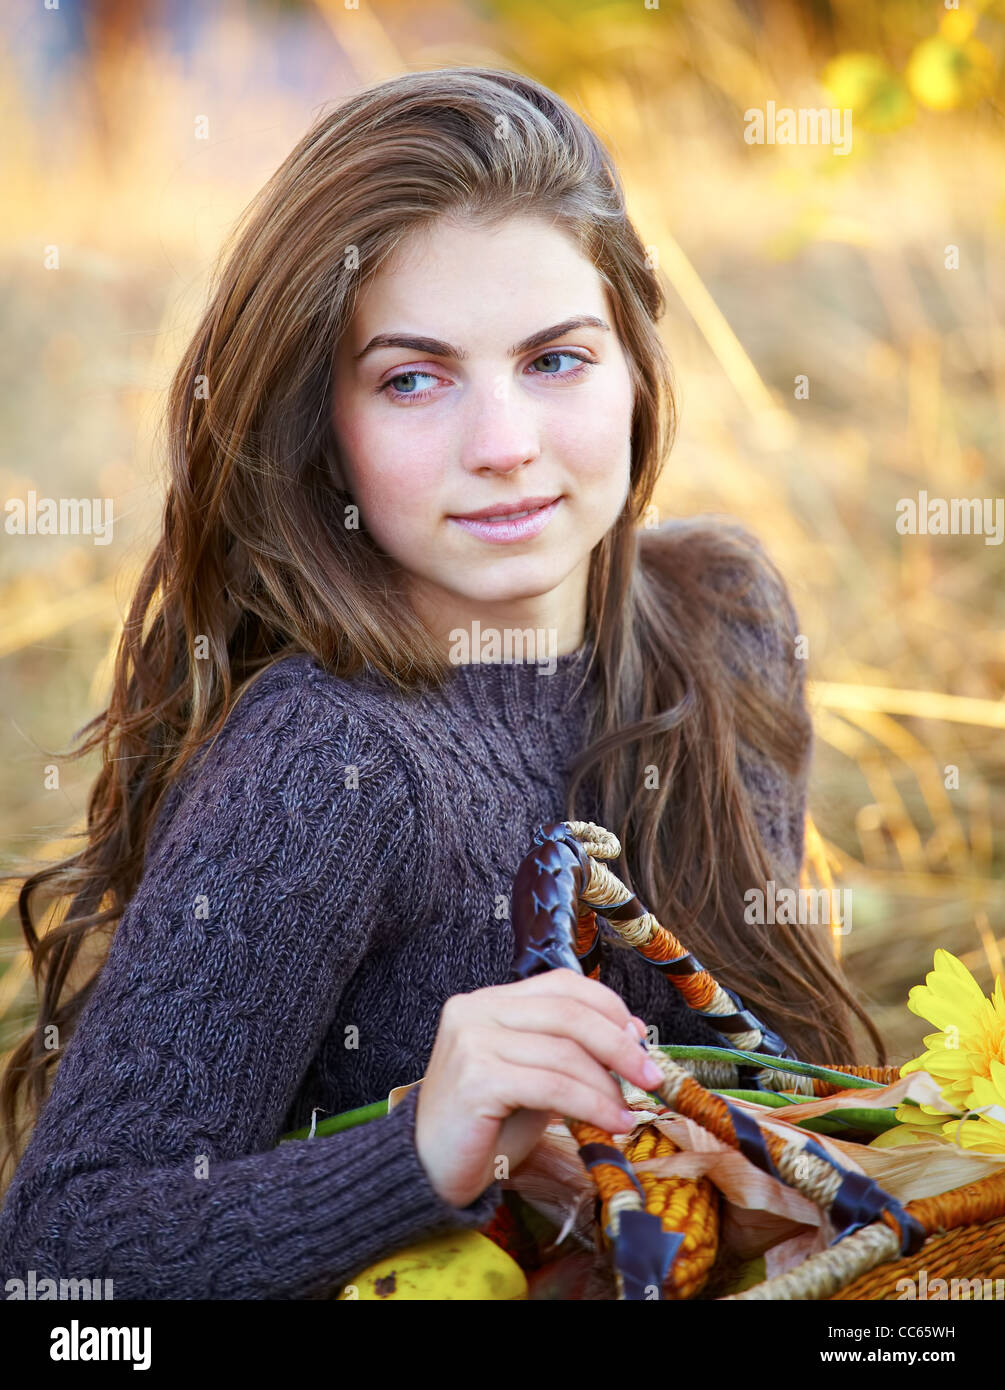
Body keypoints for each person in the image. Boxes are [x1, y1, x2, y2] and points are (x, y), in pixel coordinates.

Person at [0, 66, 883, 1300]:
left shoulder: (723, 620)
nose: (505, 442)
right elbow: (61, 1258)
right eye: (414, 378)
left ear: (635, 362)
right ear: (327, 424)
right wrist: (418, 1147)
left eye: (556, 360)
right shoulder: (332, 761)